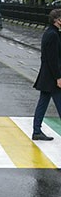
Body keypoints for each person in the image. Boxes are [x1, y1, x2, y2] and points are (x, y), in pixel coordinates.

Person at [32, 9, 61, 141]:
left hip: (47, 76)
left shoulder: (51, 33)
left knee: (43, 103)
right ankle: (36, 131)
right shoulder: (53, 35)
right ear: (57, 20)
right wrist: (58, 77)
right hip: (52, 77)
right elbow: (53, 59)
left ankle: (37, 131)